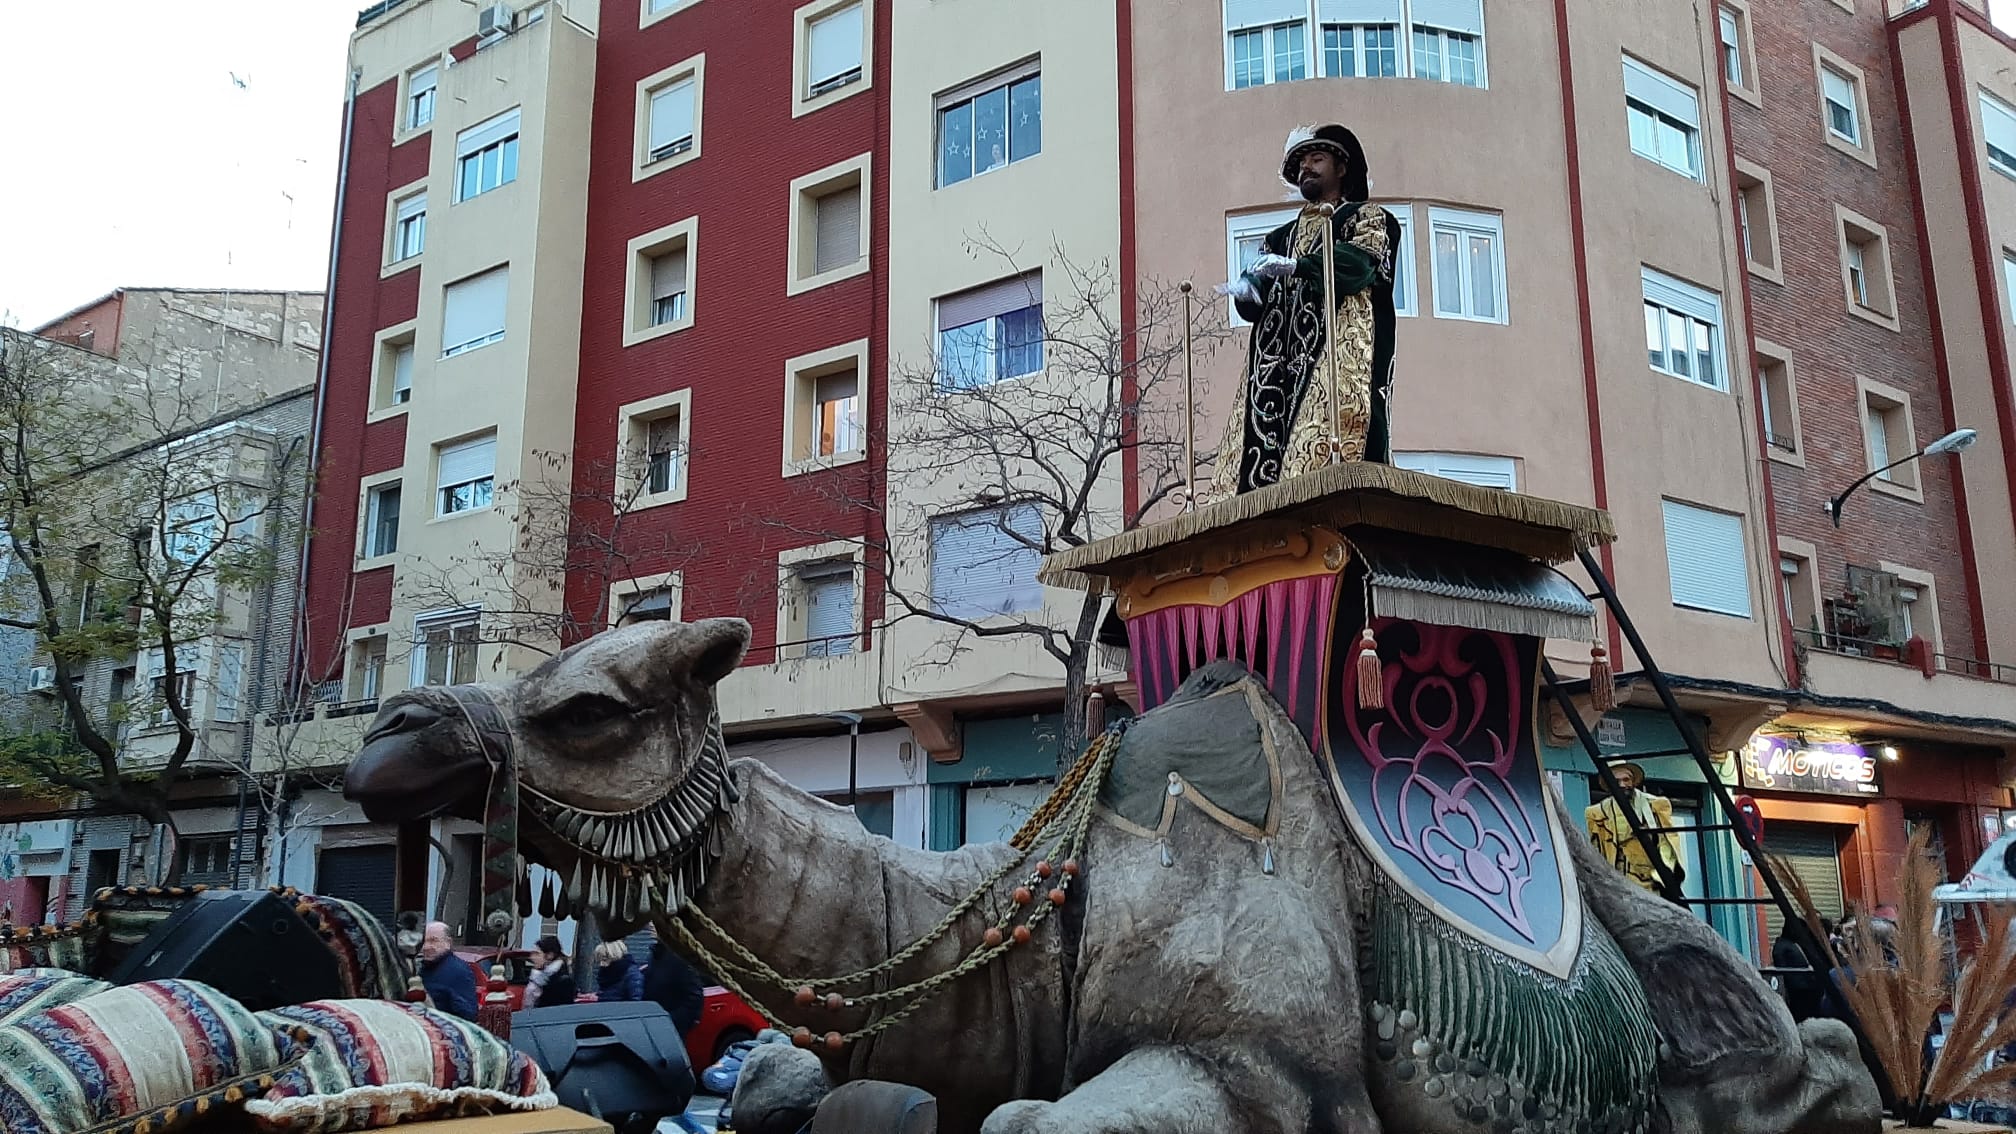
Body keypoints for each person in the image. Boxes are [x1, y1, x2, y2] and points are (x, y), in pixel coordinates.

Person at [1203, 123, 1403, 502]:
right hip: (1275, 373)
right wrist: (1247, 291)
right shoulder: (1279, 238)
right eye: (1300, 164)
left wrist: (1299, 268)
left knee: (1330, 455)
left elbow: (1357, 265)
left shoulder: (1366, 218)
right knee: (1261, 466)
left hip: (1336, 365)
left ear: (1341, 168)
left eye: (1316, 158)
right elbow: (1257, 291)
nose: (1306, 169)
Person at [1583, 762, 1685, 897]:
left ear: (1633, 781)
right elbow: (1596, 850)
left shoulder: (1655, 805)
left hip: (1649, 881)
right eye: (1616, 781)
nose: (1622, 785)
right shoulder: (1596, 813)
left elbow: (1667, 842)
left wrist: (1661, 877)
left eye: (1626, 779)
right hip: (1617, 883)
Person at [642, 930, 706, 1036]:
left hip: (671, 1030)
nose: (650, 926)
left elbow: (694, 998)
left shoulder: (679, 957)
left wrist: (669, 1020)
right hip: (652, 1027)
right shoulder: (654, 956)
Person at [419, 920, 478, 1021]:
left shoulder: (458, 971)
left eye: (433, 941)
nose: (426, 947)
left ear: (448, 943)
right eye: (424, 941)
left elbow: (469, 1014)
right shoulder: (421, 968)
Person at [524, 935, 577, 1008]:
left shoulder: (562, 981)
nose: (532, 957)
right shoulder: (540, 977)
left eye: (537, 954)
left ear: (550, 955)